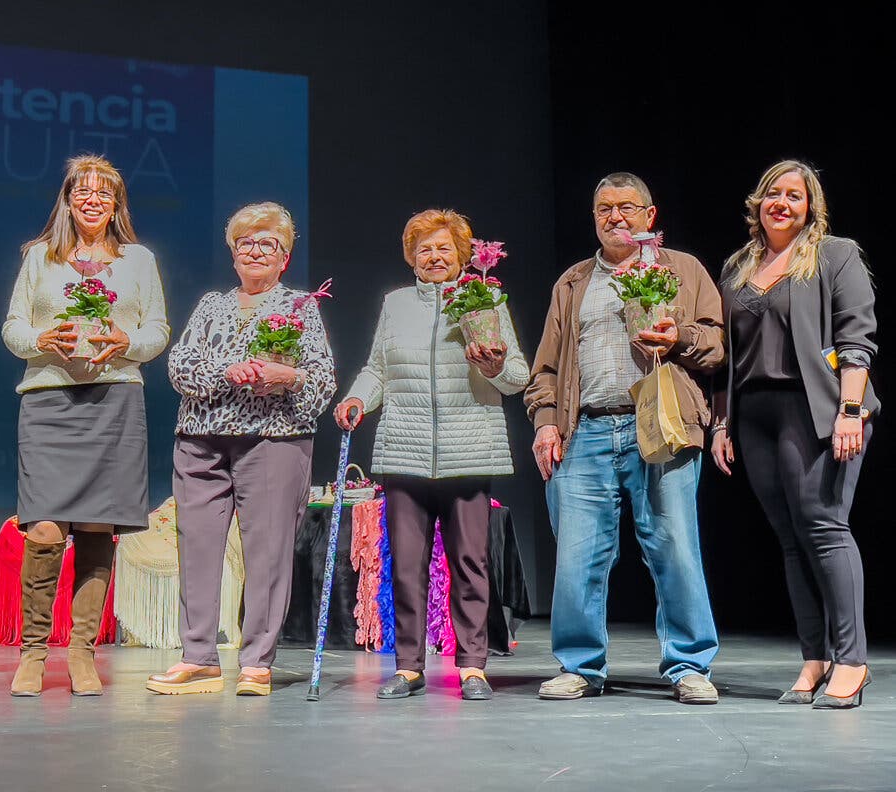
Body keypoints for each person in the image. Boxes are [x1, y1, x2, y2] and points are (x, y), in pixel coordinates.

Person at [525, 172, 723, 704]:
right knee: (577, 557)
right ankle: (580, 666)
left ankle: (688, 665)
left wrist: (677, 336)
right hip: (585, 428)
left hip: (660, 425)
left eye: (627, 207)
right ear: (594, 218)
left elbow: (716, 343)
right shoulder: (573, 281)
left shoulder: (681, 269)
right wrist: (546, 422)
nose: (616, 216)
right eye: (604, 209)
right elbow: (545, 369)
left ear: (649, 216)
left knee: (676, 548)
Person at [335, 208, 529, 701]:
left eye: (444, 247)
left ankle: (473, 666)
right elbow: (377, 369)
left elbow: (516, 378)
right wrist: (358, 398)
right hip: (406, 450)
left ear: (463, 254)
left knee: (470, 563)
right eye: (424, 249)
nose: (434, 256)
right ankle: (407, 665)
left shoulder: (484, 298)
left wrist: (497, 365)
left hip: (469, 449)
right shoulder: (395, 303)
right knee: (405, 566)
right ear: (411, 259)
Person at [147, 202, 335, 697]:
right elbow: (180, 368)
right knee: (198, 550)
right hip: (201, 441)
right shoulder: (212, 304)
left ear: (284, 258)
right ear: (233, 254)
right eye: (245, 243)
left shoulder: (301, 307)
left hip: (273, 440)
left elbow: (322, 382)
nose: (255, 251)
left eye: (267, 244)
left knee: (268, 554)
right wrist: (227, 371)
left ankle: (257, 661)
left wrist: (285, 375)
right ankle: (199, 658)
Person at [711, 160, 878, 709]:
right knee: (790, 538)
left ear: (811, 207)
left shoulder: (834, 255)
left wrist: (850, 410)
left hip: (818, 408)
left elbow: (857, 337)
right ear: (757, 202)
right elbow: (723, 357)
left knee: (825, 527)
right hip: (754, 413)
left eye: (795, 196)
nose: (781, 203)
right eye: (772, 194)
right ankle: (816, 657)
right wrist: (721, 422)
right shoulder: (738, 266)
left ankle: (852, 662)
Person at [2, 155, 169, 696]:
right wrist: (39, 342)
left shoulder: (139, 260)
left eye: (105, 193)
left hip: (115, 398)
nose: (93, 200)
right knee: (46, 529)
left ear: (117, 204)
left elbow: (157, 330)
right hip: (49, 400)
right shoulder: (39, 258)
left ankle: (81, 652)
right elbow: (13, 327)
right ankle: (32, 654)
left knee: (98, 528)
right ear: (68, 199)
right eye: (83, 191)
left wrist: (128, 345)